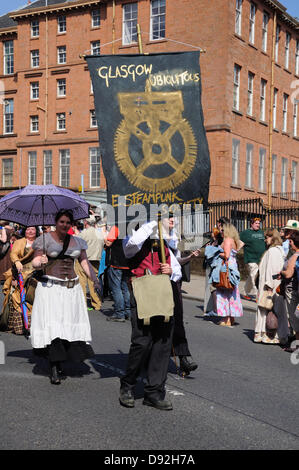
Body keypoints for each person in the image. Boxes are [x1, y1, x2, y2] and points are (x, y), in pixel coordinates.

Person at [30, 209, 101, 385]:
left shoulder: (78, 242)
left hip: (72, 289)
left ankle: (62, 360)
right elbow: (35, 261)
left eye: (68, 222)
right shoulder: (44, 240)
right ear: (56, 222)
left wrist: (94, 279)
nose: (64, 225)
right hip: (51, 288)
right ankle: (54, 366)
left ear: (71, 224)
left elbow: (84, 262)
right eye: (61, 221)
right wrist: (41, 262)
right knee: (54, 326)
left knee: (67, 326)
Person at [119, 219, 181, 411]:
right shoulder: (134, 236)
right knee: (142, 342)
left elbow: (177, 271)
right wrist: (154, 221)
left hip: (162, 292)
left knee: (162, 342)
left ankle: (153, 391)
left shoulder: (166, 244)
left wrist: (171, 271)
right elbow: (130, 246)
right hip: (142, 291)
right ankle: (127, 386)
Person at [162, 215, 200, 376]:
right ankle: (155, 357)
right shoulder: (155, 236)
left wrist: (190, 257)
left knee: (177, 320)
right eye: (168, 217)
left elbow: (177, 261)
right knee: (161, 322)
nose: (172, 219)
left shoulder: (175, 236)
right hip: (159, 283)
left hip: (174, 282)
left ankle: (184, 356)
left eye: (174, 217)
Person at [2, 226, 39, 335]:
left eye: (33, 229)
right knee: (18, 299)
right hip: (21, 274)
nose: (30, 231)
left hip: (37, 275)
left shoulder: (40, 242)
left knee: (35, 299)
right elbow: (13, 254)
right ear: (24, 231)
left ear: (36, 231)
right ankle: (21, 326)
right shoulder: (19, 242)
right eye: (28, 229)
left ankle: (36, 325)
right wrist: (17, 262)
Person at [254, 228, 287, 344]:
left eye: (267, 237)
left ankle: (272, 335)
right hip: (272, 285)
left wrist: (268, 286)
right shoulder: (277, 251)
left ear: (273, 238)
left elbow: (271, 270)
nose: (265, 240)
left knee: (270, 311)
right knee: (273, 311)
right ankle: (269, 334)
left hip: (270, 286)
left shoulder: (273, 251)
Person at [215, 223, 243, 327]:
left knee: (223, 292)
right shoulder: (234, 241)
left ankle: (225, 319)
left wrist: (216, 252)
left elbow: (226, 255)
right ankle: (232, 318)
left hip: (226, 268)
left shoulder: (227, 240)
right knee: (232, 293)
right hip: (233, 267)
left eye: (222, 230)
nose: (220, 232)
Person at [204, 216, 230, 316]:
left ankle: (216, 310)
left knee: (214, 286)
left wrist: (212, 247)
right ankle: (217, 309)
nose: (218, 225)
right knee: (216, 287)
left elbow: (222, 250)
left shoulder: (223, 235)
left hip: (219, 264)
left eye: (218, 223)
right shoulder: (224, 234)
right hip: (218, 263)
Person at [76, 216, 104, 311]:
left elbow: (77, 245)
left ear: (85, 222)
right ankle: (97, 303)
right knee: (94, 281)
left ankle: (82, 304)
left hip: (83, 259)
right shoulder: (99, 233)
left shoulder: (83, 233)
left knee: (82, 282)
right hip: (96, 259)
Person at [105, 226, 131, 322]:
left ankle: (119, 313)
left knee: (116, 288)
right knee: (126, 288)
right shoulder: (131, 226)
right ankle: (128, 312)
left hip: (116, 262)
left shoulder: (116, 226)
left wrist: (104, 236)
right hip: (128, 262)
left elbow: (108, 242)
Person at [280, 229, 299, 352]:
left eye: (290, 241)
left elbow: (288, 274)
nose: (289, 243)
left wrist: (281, 271)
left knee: (294, 317)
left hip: (293, 290)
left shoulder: (296, 256)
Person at [240, 217, 266, 300]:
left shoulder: (262, 232)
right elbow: (240, 243)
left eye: (259, 223)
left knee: (251, 276)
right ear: (251, 224)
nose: (258, 225)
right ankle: (258, 295)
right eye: (256, 223)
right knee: (255, 276)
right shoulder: (245, 233)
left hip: (260, 259)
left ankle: (244, 292)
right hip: (250, 258)